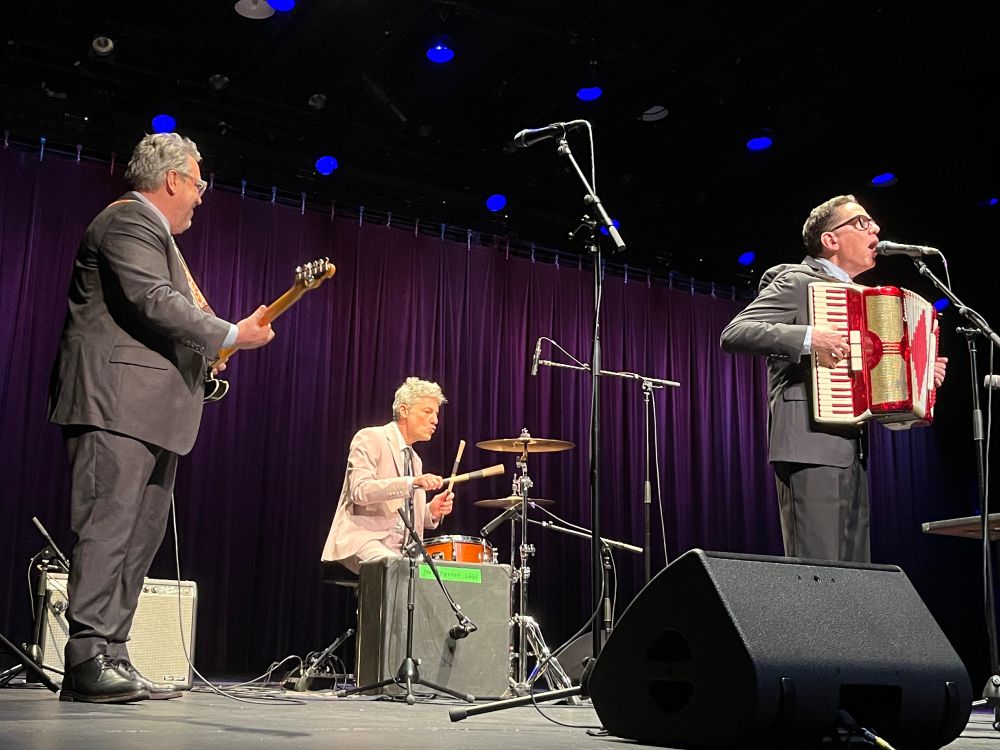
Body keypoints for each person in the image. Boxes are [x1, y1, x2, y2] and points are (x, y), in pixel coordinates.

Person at [48, 132, 275, 703]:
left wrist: (209, 363)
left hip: (150, 412)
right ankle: (86, 657)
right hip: (114, 405)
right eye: (199, 184)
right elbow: (153, 299)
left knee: (138, 540)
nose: (201, 196)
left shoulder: (158, 236)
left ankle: (113, 655)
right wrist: (230, 334)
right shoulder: (129, 221)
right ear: (173, 179)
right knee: (108, 529)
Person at [720, 194, 947, 563]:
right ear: (830, 240)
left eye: (873, 223)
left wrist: (918, 381)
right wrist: (810, 337)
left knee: (853, 575)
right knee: (819, 571)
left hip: (850, 449)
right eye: (862, 222)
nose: (875, 228)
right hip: (807, 445)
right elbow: (735, 333)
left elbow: (875, 388)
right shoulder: (797, 281)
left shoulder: (864, 299)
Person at [321, 377, 455, 574]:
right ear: (404, 410)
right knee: (396, 570)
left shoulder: (415, 460)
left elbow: (401, 513)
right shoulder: (370, 438)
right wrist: (410, 482)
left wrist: (430, 512)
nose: (435, 420)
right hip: (366, 538)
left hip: (403, 548)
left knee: (437, 578)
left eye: (436, 414)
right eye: (428, 412)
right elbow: (359, 490)